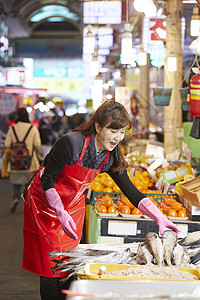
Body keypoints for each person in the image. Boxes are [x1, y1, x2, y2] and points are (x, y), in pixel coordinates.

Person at [22, 100, 180, 300]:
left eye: (122, 132)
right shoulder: (70, 144)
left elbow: (131, 191)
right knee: (51, 264)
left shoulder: (110, 156)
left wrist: (159, 217)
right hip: (45, 202)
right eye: (113, 131)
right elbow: (48, 179)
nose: (118, 138)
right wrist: (59, 211)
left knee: (70, 260)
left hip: (73, 206)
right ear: (98, 126)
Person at [4, 107, 41, 214]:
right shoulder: (32, 128)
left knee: (16, 183)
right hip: (30, 162)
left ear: (18, 116)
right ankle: (27, 203)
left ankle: (15, 198)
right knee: (29, 184)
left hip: (15, 162)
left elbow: (7, 144)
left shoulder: (13, 128)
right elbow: (37, 144)